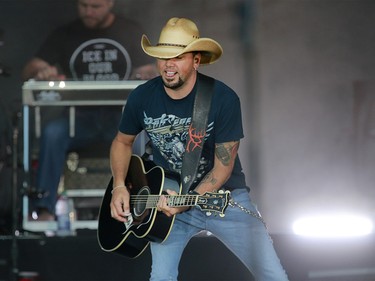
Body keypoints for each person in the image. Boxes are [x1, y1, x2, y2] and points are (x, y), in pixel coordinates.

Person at [109, 17, 289, 281]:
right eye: (163, 56)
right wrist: (119, 186)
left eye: (178, 57)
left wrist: (186, 202)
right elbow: (122, 142)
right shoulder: (142, 96)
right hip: (166, 199)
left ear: (196, 60)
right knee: (161, 277)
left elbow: (223, 168)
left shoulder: (223, 99)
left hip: (224, 198)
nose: (169, 65)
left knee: (273, 276)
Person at [22, 0, 157, 221]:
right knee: (52, 133)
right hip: (79, 119)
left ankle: (144, 204)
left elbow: (148, 70)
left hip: (120, 118)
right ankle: (44, 209)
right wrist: (41, 71)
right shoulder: (65, 34)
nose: (89, 12)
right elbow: (30, 68)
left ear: (110, 4)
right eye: (83, 6)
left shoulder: (129, 30)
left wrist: (144, 74)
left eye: (96, 6)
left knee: (145, 134)